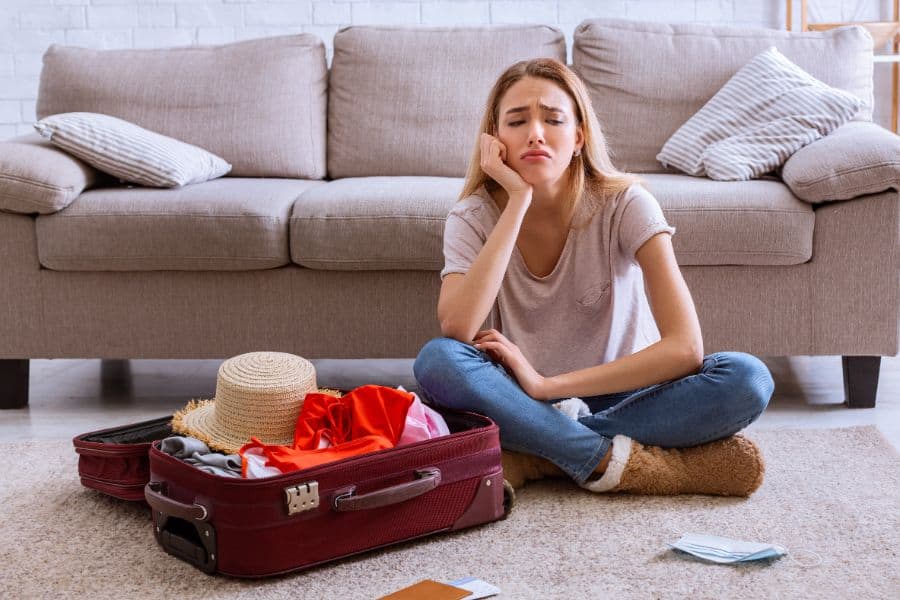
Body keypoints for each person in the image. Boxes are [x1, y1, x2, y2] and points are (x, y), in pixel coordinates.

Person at [412, 58, 774, 497]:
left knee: (747, 378)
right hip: (519, 403)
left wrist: (548, 385)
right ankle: (607, 457)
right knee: (437, 361)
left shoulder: (626, 203)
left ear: (579, 137)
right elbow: (457, 327)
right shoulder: (471, 216)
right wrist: (518, 200)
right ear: (495, 140)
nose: (536, 133)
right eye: (517, 120)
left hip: (626, 396)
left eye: (553, 119)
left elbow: (685, 349)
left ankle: (539, 455)